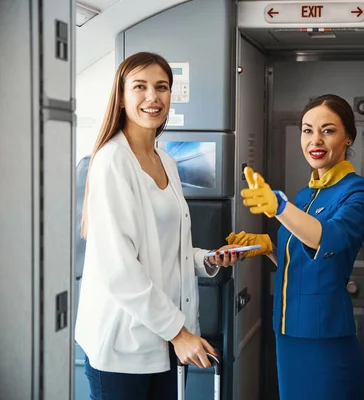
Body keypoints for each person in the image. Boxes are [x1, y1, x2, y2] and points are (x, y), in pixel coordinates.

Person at [75, 52, 240, 400]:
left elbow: (164, 248)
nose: (153, 97)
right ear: (121, 97)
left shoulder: (165, 159)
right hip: (123, 344)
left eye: (162, 87)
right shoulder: (112, 161)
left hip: (161, 338)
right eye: (140, 87)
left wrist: (206, 260)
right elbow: (118, 267)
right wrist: (179, 333)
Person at [227, 94, 364, 400]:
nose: (315, 140)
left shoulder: (358, 192)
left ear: (348, 137)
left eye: (328, 130)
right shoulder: (306, 194)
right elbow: (307, 262)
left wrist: (280, 206)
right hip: (287, 330)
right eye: (307, 130)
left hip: (324, 335)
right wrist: (268, 247)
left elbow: (328, 238)